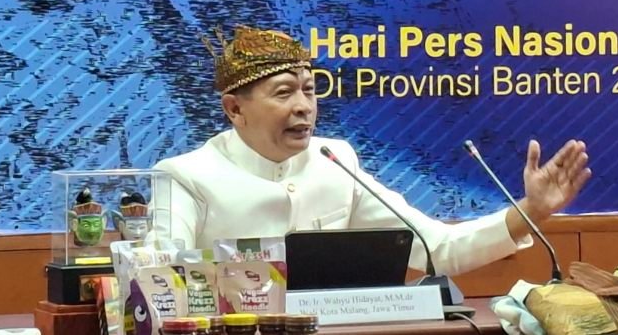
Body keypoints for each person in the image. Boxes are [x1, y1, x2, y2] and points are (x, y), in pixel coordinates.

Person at [154, 25, 591, 276]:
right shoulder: (186, 176)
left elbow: (436, 248)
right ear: (234, 109)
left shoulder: (334, 161)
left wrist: (531, 211)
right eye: (284, 93)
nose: (303, 106)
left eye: (309, 90)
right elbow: (161, 275)